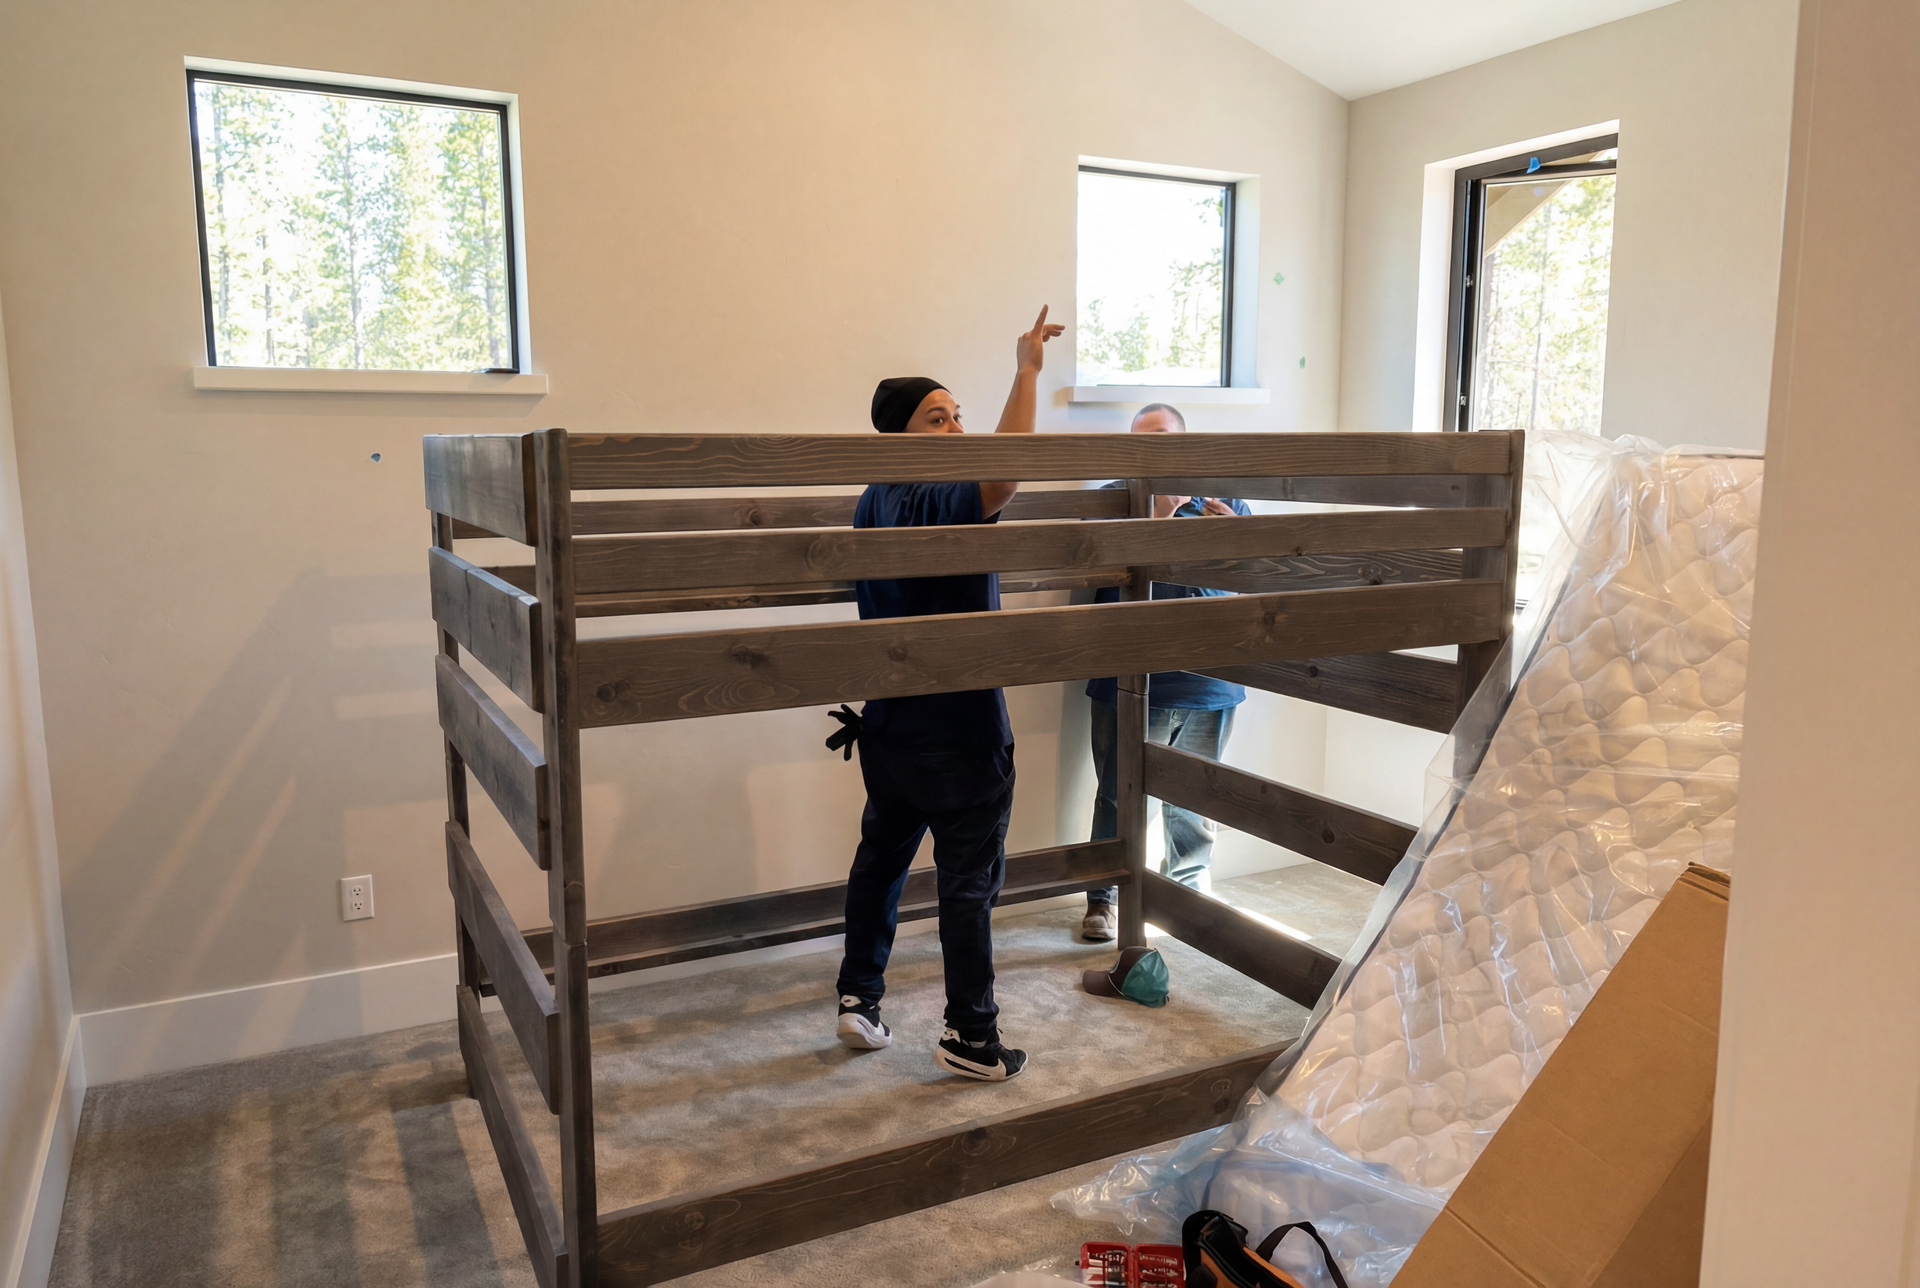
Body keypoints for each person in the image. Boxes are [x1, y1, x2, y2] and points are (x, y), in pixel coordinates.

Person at [831, 306, 1064, 1082]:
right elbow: (1006, 471)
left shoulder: (873, 498)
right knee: (968, 887)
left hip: (890, 728)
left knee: (881, 863)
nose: (959, 429)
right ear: (900, 435)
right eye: (939, 418)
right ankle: (971, 1036)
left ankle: (858, 999)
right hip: (959, 732)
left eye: (960, 415)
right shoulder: (933, 495)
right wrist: (1028, 370)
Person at [1081, 403, 1251, 943]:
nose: (1152, 449)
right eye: (1141, 440)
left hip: (1210, 683)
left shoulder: (1225, 498)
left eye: (1163, 438)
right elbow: (1098, 581)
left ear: (1185, 443)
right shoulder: (1111, 502)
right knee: (1117, 797)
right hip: (1128, 680)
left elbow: (1256, 584)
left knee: (1196, 801)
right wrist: (1156, 522)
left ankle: (1188, 898)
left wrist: (1235, 544)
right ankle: (1103, 900)